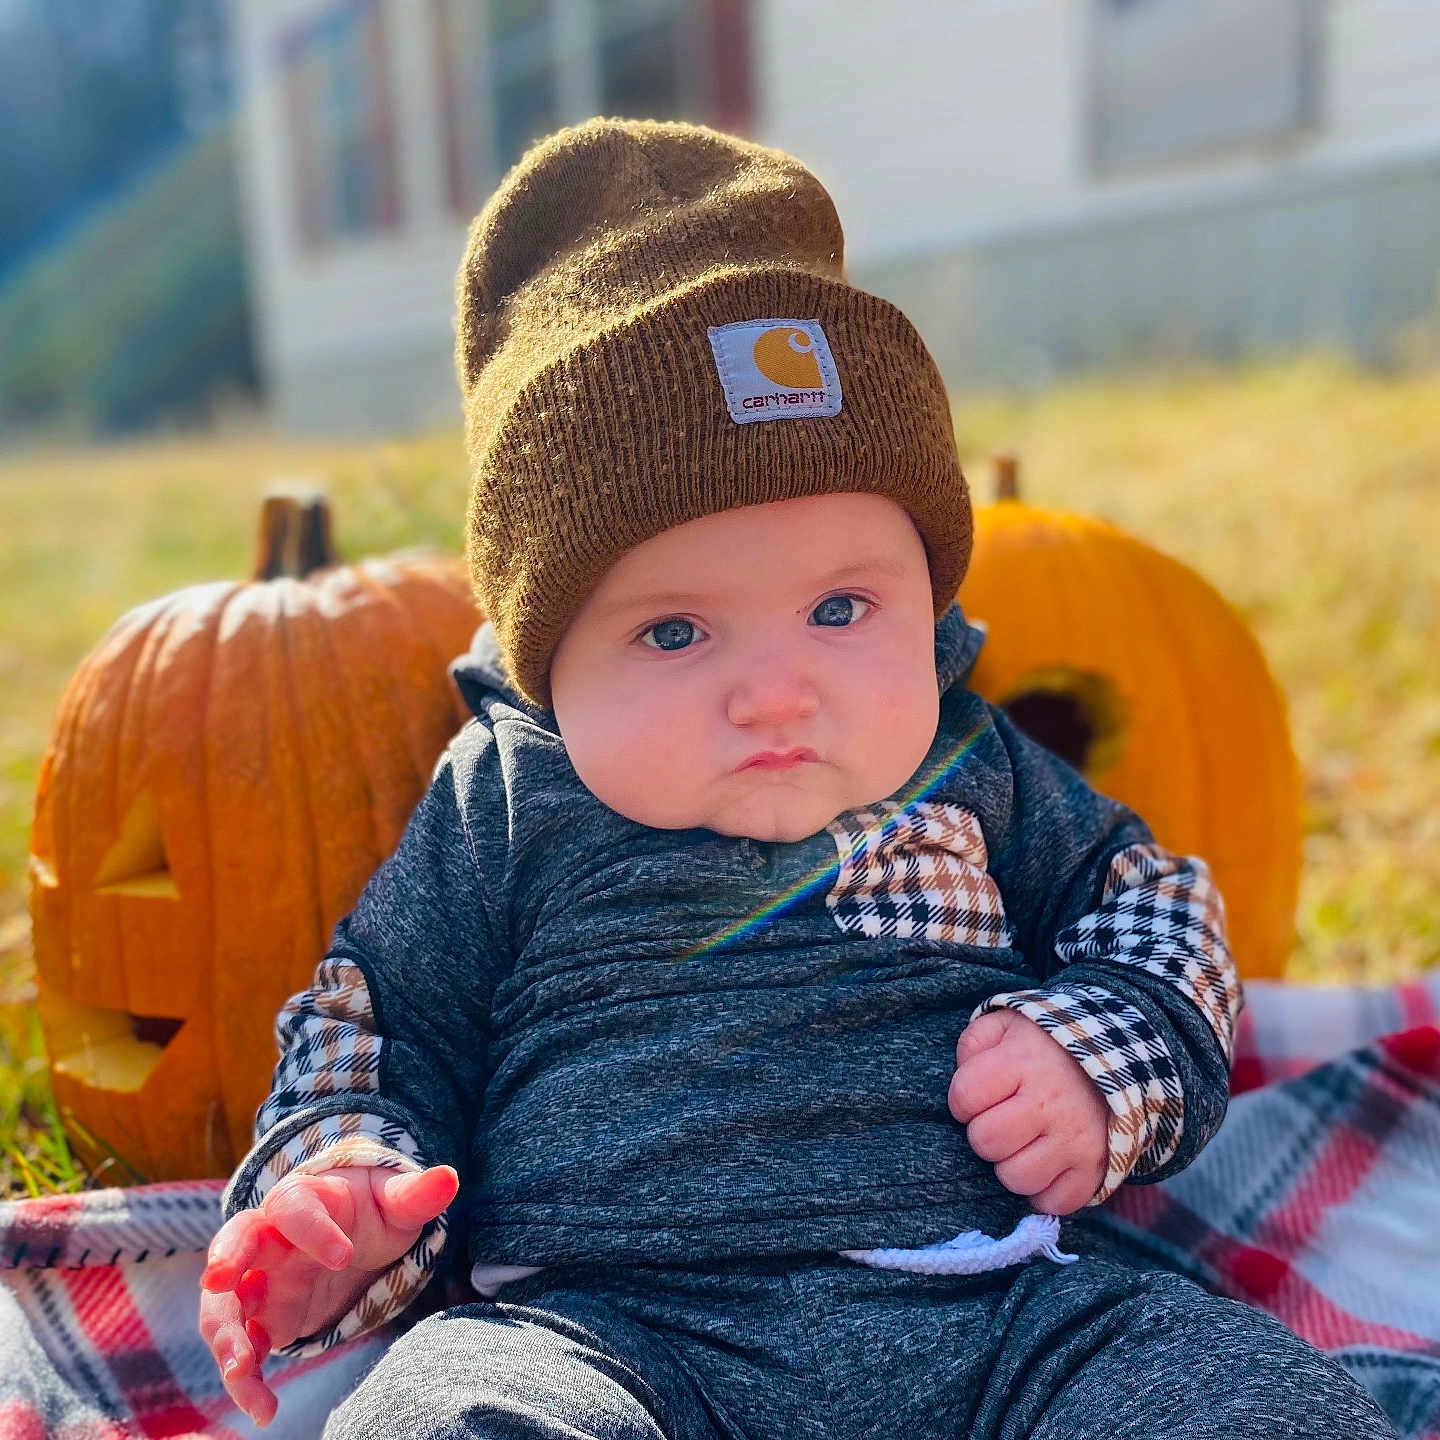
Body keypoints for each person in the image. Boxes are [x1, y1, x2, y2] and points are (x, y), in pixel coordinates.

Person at [198, 118, 1396, 1439]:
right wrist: (341, 1190)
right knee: (443, 1418)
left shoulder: (966, 757)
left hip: (1007, 1321)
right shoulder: (506, 795)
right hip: (608, 1336)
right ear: (548, 660)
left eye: (842, 608)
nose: (777, 691)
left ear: (925, 597)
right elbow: (381, 1022)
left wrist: (1098, 1061)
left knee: (1249, 1398)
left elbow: (1151, 909)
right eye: (673, 631)